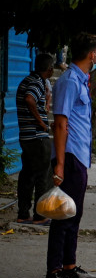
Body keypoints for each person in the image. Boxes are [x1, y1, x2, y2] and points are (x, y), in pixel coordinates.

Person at [46, 33, 96, 278]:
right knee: (63, 214)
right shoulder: (69, 81)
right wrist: (58, 163)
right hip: (68, 156)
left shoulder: (81, 81)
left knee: (74, 213)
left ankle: (69, 266)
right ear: (92, 54)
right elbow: (60, 123)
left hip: (79, 156)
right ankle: (53, 272)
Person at [16, 53, 55, 225]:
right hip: (37, 137)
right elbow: (30, 99)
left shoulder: (26, 80)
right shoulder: (37, 82)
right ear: (50, 69)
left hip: (26, 136)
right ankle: (40, 215)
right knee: (43, 176)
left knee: (27, 175)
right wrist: (42, 123)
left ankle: (23, 214)